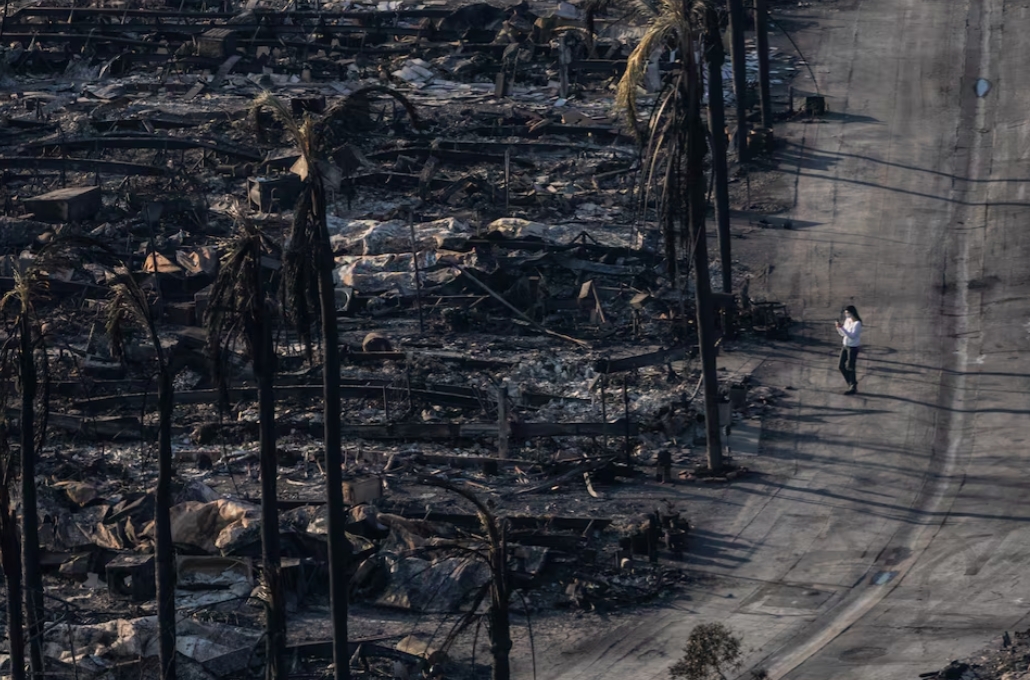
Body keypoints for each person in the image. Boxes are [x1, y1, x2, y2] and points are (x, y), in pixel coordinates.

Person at [835, 305, 862, 394]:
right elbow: (843, 334)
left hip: (853, 347)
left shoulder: (857, 323)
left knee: (851, 367)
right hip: (845, 345)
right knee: (841, 365)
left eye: (847, 313)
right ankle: (851, 383)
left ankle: (853, 386)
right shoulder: (848, 321)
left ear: (852, 313)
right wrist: (838, 328)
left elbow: (852, 336)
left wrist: (842, 328)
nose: (846, 315)